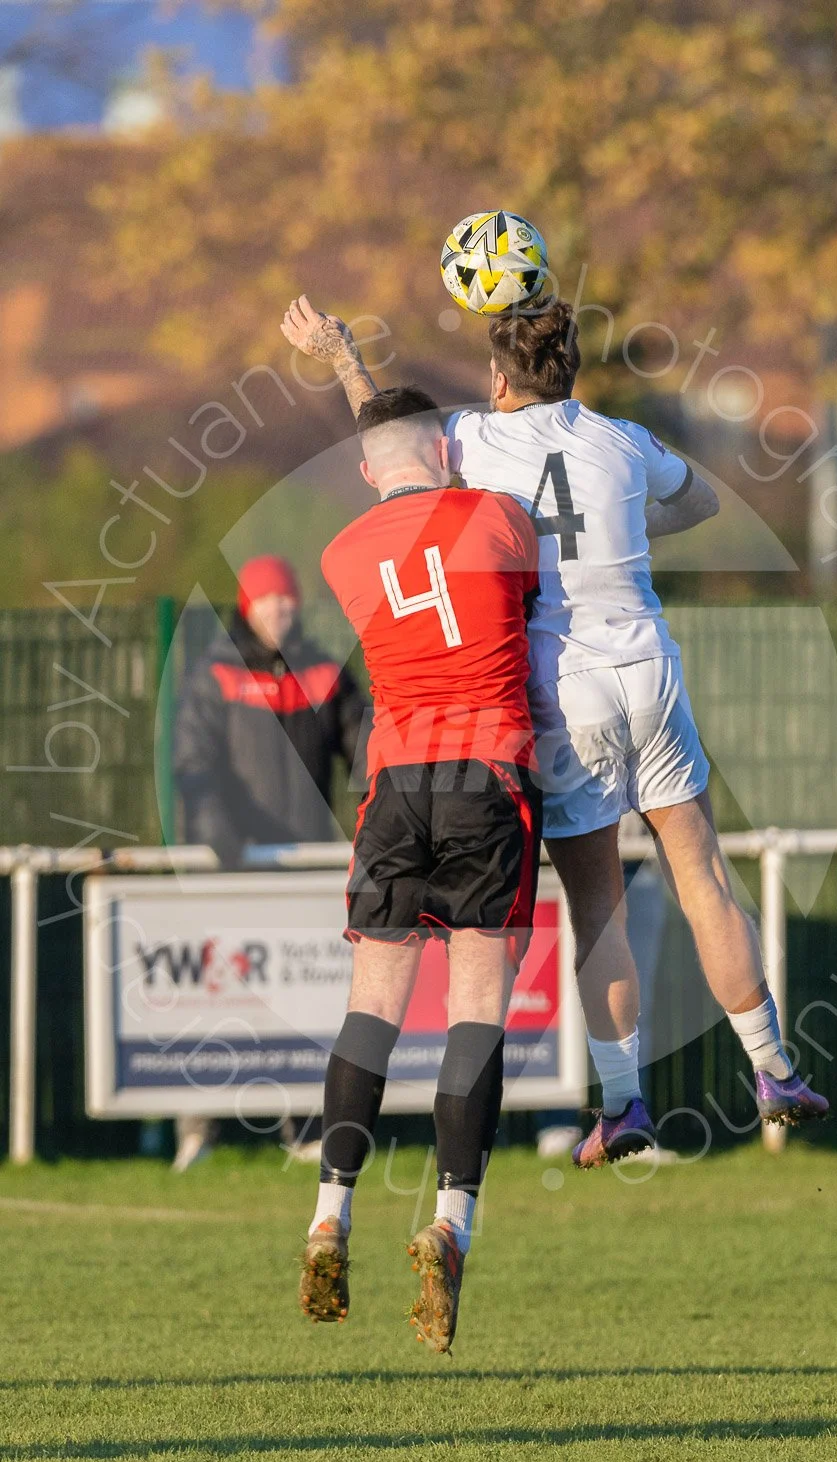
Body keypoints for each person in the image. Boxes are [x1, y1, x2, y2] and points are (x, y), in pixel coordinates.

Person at [280, 294, 828, 1172]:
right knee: (704, 873)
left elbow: (393, 443)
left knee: (598, 907)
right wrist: (624, 520)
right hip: (647, 664)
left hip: (562, 690)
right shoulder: (625, 441)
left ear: (498, 377)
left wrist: (344, 354)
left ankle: (624, 1105)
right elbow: (697, 508)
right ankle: (773, 1068)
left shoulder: (475, 442)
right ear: (569, 367)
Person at [298, 385, 542, 1354]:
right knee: (476, 1003)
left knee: (374, 1006)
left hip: (396, 780)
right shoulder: (498, 515)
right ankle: (451, 1221)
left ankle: (328, 1213)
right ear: (447, 449)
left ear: (365, 473)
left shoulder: (341, 552)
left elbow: (403, 489)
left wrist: (353, 371)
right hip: (490, 771)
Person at [172, 553, 368, 1171]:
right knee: (215, 999)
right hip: (231, 870)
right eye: (267, 600)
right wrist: (214, 830)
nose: (279, 609)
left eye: (287, 599)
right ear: (247, 606)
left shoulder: (323, 673)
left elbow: (365, 745)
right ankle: (197, 1130)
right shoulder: (213, 677)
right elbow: (193, 764)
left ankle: (306, 1127)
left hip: (302, 867)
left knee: (305, 1002)